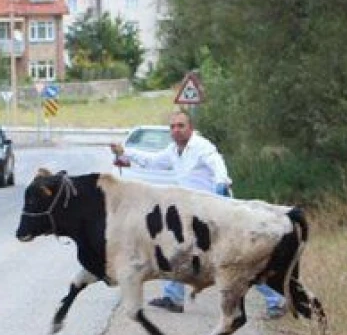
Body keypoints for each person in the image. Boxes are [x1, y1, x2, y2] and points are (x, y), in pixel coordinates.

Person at [109, 110, 287, 319]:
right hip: (191, 214)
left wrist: (222, 183)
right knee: (173, 249)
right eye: (173, 127)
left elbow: (217, 163)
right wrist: (125, 153)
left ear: (190, 128)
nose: (176, 130)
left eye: (181, 126)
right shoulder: (174, 150)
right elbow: (154, 161)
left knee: (236, 261)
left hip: (215, 214)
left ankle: (277, 300)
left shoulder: (201, 147)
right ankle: (173, 297)